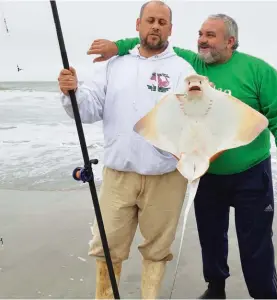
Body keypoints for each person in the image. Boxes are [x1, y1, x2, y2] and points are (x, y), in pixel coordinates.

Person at [86, 13, 277, 299]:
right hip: (207, 174)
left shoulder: (259, 70)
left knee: (256, 240)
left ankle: (264, 294)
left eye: (210, 36)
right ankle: (215, 289)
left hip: (251, 172)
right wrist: (117, 46)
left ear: (231, 41)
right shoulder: (193, 63)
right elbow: (156, 43)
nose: (202, 40)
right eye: (200, 34)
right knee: (211, 238)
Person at [57, 1, 197, 299]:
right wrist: (72, 91)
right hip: (118, 173)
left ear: (170, 29)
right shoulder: (114, 64)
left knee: (158, 248)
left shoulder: (182, 69)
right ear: (138, 25)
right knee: (107, 245)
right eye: (150, 20)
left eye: (162, 21)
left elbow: (195, 120)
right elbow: (89, 109)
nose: (155, 26)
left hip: (166, 176)